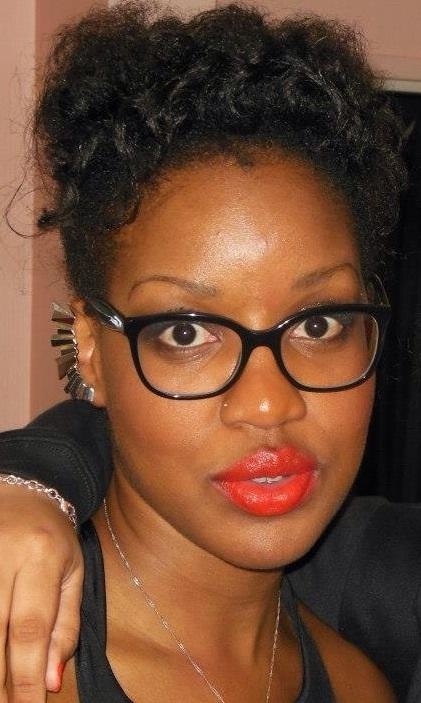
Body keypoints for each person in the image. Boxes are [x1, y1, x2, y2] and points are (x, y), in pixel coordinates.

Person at [0, 1, 408, 700]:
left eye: (317, 325)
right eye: (186, 332)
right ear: (91, 348)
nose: (268, 403)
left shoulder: (359, 683)